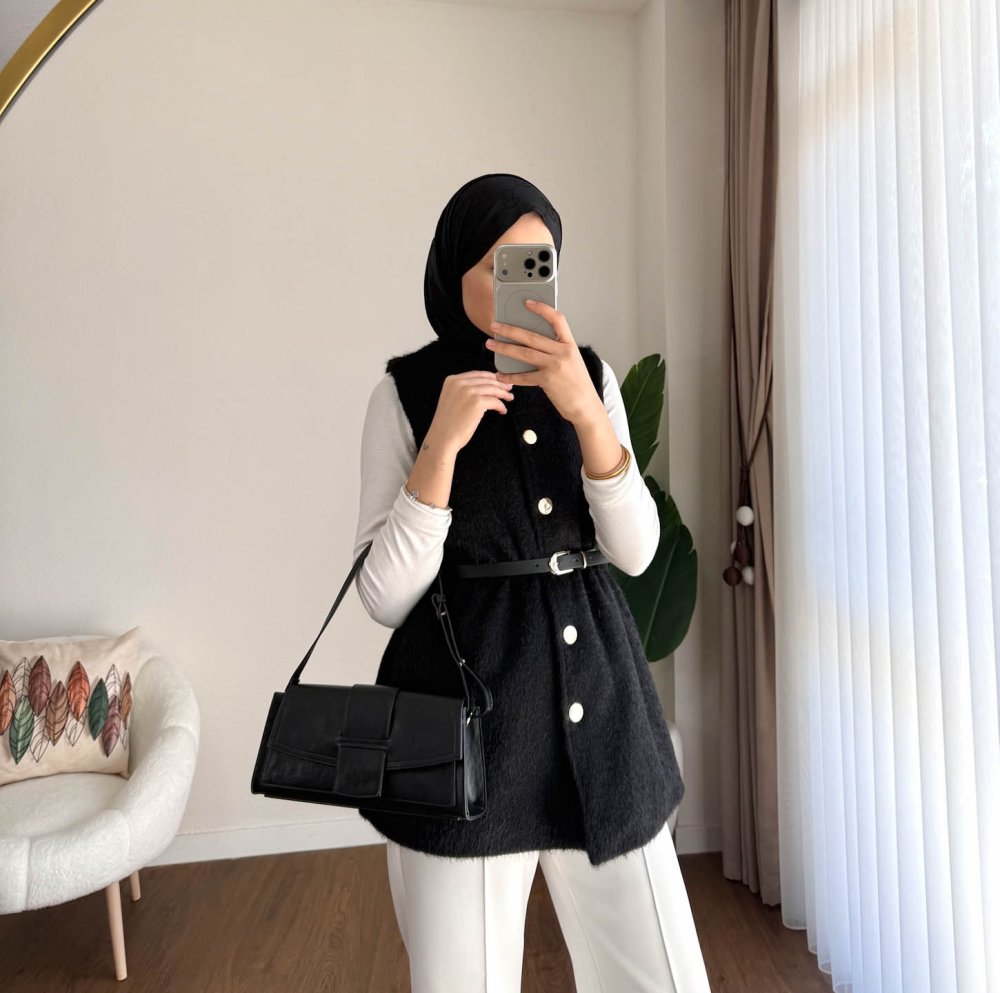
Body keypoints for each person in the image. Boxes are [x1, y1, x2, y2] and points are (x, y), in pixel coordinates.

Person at [352, 173, 711, 992]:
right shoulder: (404, 394)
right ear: (452, 271)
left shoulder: (591, 377)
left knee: (664, 976)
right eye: (498, 263)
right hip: (461, 740)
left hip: (605, 717)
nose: (524, 281)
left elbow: (636, 552)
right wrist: (441, 447)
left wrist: (587, 415)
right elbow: (385, 596)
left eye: (539, 261)